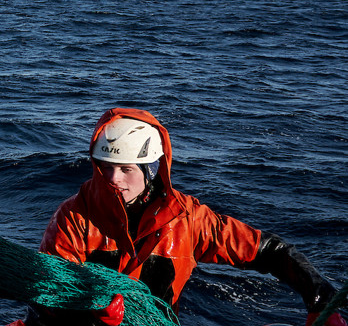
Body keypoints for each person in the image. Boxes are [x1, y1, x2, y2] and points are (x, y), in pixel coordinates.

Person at [18, 108, 343, 326]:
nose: (114, 178)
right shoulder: (74, 217)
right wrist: (89, 311)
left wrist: (318, 295)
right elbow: (47, 294)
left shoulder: (186, 220)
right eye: (106, 168)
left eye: (125, 169)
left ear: (149, 170)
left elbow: (265, 251)